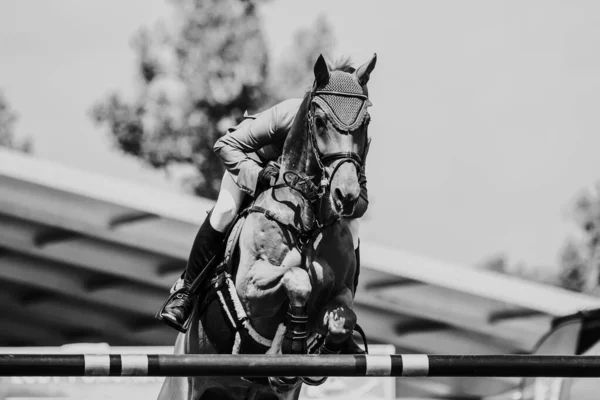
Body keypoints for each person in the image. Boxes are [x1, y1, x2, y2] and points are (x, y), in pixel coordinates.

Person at [159, 96, 369, 336]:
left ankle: (341, 317)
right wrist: (260, 175)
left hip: (305, 190)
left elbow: (361, 201)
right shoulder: (288, 115)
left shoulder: (350, 136)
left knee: (353, 227)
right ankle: (185, 293)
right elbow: (225, 145)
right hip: (252, 164)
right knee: (226, 210)